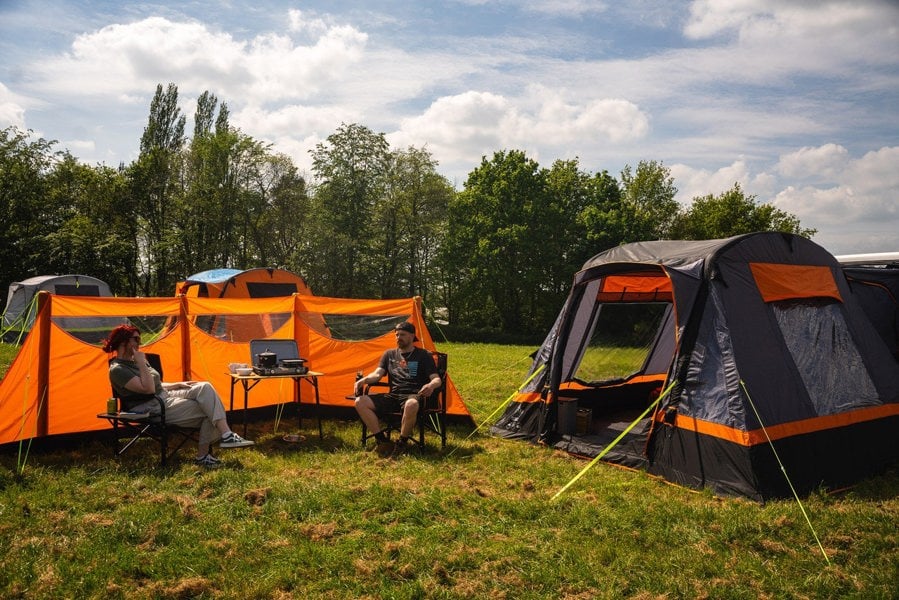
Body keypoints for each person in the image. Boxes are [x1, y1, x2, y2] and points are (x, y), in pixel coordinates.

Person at [102, 324, 254, 467]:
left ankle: (226, 435)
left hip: (163, 396)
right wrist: (142, 363)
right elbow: (147, 390)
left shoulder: (137, 361)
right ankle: (204, 455)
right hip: (150, 407)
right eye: (135, 339)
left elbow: (156, 385)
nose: (139, 342)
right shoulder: (118, 370)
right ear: (123, 342)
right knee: (208, 409)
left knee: (205, 387)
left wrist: (177, 384)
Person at [353, 321, 442, 456]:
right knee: (360, 401)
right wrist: (363, 380)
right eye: (397, 335)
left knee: (411, 403)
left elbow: (437, 379)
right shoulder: (389, 354)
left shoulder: (424, 355)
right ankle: (382, 441)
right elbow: (377, 374)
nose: (398, 337)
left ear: (412, 336)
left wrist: (430, 385)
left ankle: (401, 443)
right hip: (394, 395)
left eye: (403, 335)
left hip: (415, 395)